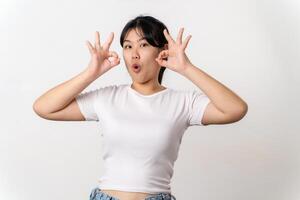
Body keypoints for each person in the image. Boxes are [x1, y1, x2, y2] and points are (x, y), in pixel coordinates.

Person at [33, 15, 248, 200]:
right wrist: (91, 73)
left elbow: (235, 109)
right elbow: (44, 107)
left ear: (163, 51)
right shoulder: (107, 97)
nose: (134, 53)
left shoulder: (183, 102)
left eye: (143, 44)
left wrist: (186, 68)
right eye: (128, 46)